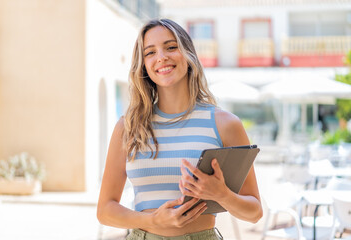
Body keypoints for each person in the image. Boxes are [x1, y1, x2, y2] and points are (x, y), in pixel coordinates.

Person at [97, 18, 263, 239]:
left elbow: (254, 212)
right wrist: (151, 220)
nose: (161, 57)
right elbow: (105, 210)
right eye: (150, 52)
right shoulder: (128, 126)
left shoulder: (225, 124)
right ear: (144, 65)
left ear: (188, 54)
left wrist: (221, 194)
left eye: (171, 47)